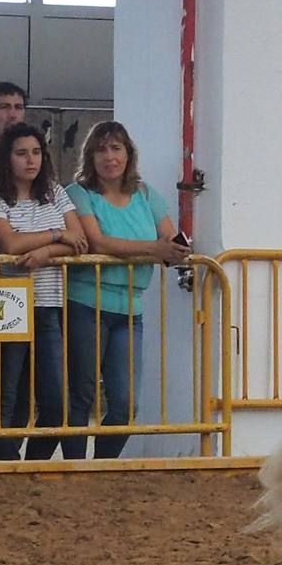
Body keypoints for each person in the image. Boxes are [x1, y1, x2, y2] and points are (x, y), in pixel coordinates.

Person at [62, 121, 189, 459]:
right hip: (85, 302)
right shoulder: (79, 193)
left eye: (116, 148)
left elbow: (168, 236)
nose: (109, 156)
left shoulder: (145, 193)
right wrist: (155, 250)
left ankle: (103, 464)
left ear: (128, 154)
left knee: (126, 402)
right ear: (90, 156)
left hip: (130, 307)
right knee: (82, 393)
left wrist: (169, 250)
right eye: (101, 149)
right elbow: (97, 242)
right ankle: (74, 466)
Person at [0, 123, 87, 460]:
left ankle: (30, 463)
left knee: (55, 402)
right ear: (6, 158)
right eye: (21, 153)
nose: (30, 160)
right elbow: (10, 244)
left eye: (36, 152)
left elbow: (79, 240)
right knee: (3, 397)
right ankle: (3, 464)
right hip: (2, 302)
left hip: (47, 303)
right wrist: (55, 235)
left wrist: (44, 253)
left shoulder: (55, 192)